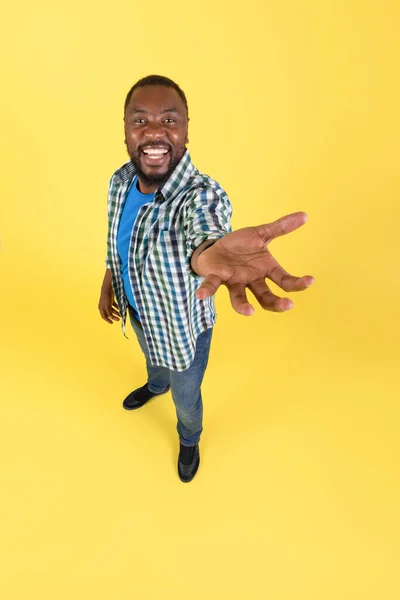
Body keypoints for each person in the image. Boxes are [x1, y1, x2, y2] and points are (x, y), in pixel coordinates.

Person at [98, 75, 314, 483]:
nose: (155, 131)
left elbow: (206, 234)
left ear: (186, 130)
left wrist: (209, 252)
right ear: (125, 129)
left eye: (169, 119)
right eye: (140, 120)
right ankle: (154, 384)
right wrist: (110, 276)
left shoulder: (202, 196)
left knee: (186, 397)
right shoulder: (119, 181)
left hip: (182, 332)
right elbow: (117, 234)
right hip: (138, 310)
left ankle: (189, 438)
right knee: (152, 361)